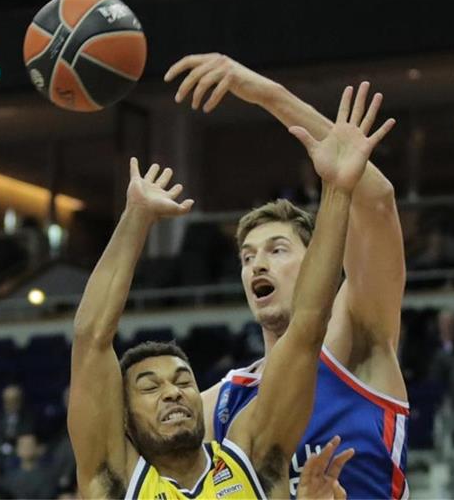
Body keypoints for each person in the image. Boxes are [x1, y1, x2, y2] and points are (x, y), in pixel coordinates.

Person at [68, 87, 394, 499]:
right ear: (126, 424)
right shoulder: (114, 482)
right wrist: (136, 218)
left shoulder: (253, 461)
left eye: (183, 381)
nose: (172, 392)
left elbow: (309, 325)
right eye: (149, 388)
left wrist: (337, 191)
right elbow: (91, 337)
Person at [166, 56, 410, 499]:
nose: (257, 264)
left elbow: (376, 205)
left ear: (319, 261)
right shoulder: (219, 403)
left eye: (277, 250)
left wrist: (265, 93)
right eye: (247, 257)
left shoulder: (356, 340)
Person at [0, 433, 58, 500]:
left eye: (29, 445)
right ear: (17, 449)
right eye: (22, 445)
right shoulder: (9, 477)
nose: (26, 448)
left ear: (38, 449)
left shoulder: (47, 476)